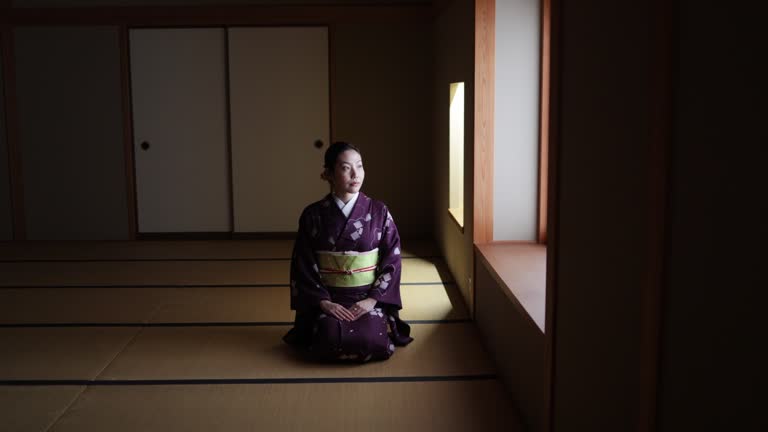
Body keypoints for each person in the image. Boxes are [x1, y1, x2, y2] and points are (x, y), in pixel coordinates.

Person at [283, 141, 413, 362]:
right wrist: (324, 303)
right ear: (328, 174)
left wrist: (372, 300)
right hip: (329, 298)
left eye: (360, 166)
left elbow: (392, 259)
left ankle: (374, 317)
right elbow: (303, 264)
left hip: (366, 299)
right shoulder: (313, 215)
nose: (356, 174)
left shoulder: (379, 211)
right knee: (330, 338)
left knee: (372, 340)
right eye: (345, 168)